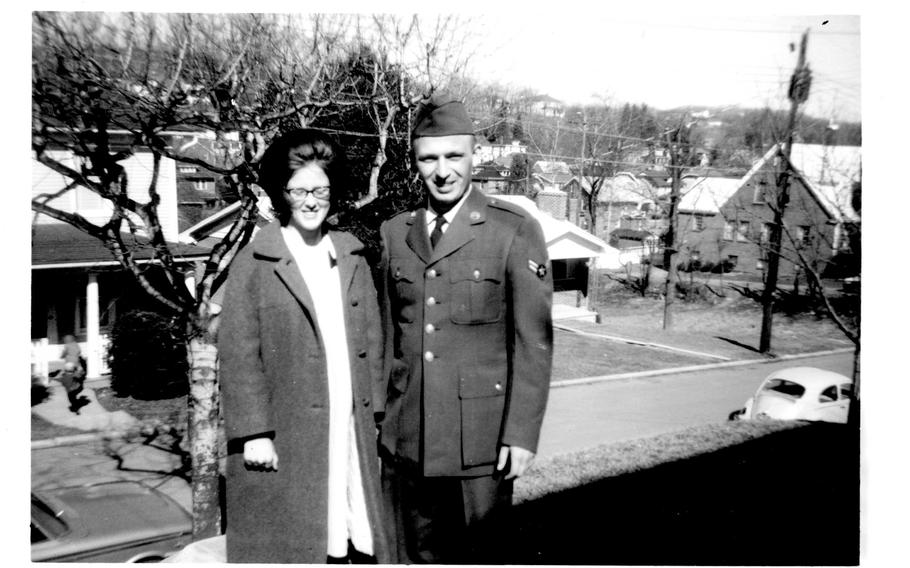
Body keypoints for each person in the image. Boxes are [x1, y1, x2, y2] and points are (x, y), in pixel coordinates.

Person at [376, 94, 554, 563]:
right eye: (428, 158)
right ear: (414, 162)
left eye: (454, 156)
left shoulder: (511, 229)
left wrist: (520, 434)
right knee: (407, 557)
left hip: (481, 441)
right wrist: (383, 424)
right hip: (407, 438)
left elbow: (532, 342)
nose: (442, 170)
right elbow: (389, 335)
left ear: (474, 155)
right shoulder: (396, 232)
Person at [218, 129, 392, 564]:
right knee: (301, 537)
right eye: (299, 190)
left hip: (351, 420)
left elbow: (373, 337)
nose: (311, 201)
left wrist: (377, 416)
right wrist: (254, 432)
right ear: (283, 193)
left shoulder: (352, 256)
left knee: (353, 528)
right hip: (288, 428)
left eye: (320, 189)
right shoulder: (254, 263)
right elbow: (239, 353)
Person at [59, 334, 88, 413]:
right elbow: (79, 352)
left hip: (70, 364)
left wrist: (62, 355)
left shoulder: (67, 346)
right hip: (77, 364)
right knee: (77, 378)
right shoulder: (76, 345)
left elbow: (62, 355)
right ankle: (77, 388)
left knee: (70, 378)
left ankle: (72, 393)